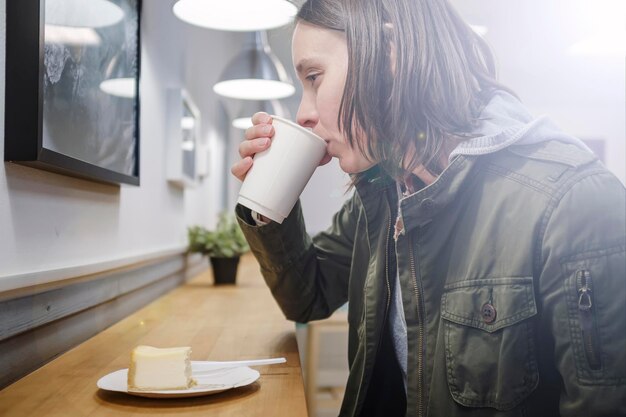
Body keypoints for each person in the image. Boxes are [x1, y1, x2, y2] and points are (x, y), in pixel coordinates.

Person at [230, 0, 626, 416]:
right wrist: (270, 203)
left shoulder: (575, 202)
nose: (303, 114)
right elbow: (307, 298)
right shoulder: (384, 191)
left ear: (390, 55)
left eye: (314, 77)